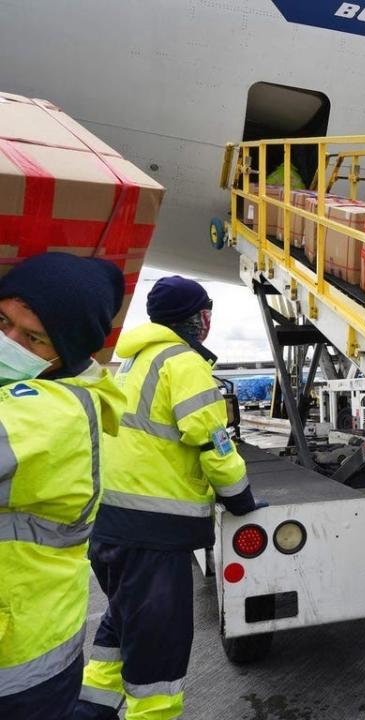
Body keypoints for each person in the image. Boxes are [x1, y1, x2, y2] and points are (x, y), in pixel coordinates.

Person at [74, 276, 259, 720]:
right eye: (206, 312)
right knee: (158, 651)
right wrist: (240, 499)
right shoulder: (183, 362)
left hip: (110, 527)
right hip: (152, 536)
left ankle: (90, 711)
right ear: (195, 318)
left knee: (121, 626)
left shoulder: (133, 362)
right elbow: (212, 443)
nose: (209, 321)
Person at [0, 252, 127, 720]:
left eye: (33, 338)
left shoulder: (53, 411)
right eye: (1, 321)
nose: (8, 341)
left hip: (18, 667)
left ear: (68, 355)